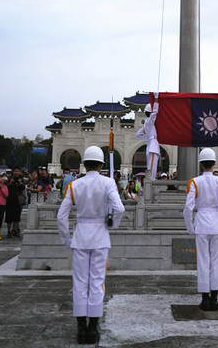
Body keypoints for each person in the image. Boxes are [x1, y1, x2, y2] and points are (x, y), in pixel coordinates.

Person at [57, 145, 124, 345]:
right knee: (97, 281)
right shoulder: (108, 182)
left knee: (79, 282)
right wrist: (112, 224)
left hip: (80, 236)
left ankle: (80, 329)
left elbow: (61, 216)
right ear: (102, 164)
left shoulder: (74, 185)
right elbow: (119, 208)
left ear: (84, 165)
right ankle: (93, 329)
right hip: (100, 237)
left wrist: (67, 239)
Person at [183, 148, 218, 311]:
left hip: (202, 224)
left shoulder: (194, 182)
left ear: (201, 164)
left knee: (203, 261)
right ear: (214, 163)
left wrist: (190, 227)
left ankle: (205, 298)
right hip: (217, 224)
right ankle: (215, 299)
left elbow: (188, 208)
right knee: (216, 262)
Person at [136, 94, 160, 181]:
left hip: (150, 145)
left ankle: (150, 182)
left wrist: (149, 138)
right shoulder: (150, 121)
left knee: (151, 167)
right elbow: (155, 112)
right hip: (153, 147)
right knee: (152, 169)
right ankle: (151, 182)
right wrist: (156, 99)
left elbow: (138, 134)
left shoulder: (147, 123)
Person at [5, 167, 26, 238]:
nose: (16, 173)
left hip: (18, 200)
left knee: (17, 216)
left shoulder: (21, 179)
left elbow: (23, 188)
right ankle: (8, 231)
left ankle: (15, 230)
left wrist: (20, 182)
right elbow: (5, 187)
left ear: (20, 172)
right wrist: (10, 182)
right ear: (13, 172)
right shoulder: (9, 179)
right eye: (15, 171)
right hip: (10, 200)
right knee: (9, 217)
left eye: (18, 171)